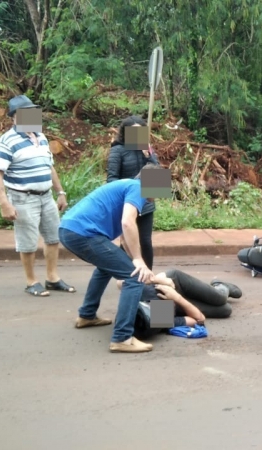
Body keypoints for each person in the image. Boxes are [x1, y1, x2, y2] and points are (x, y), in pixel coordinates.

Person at [58, 163, 167, 353]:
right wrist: (139, 261)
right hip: (83, 233)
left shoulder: (128, 187)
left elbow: (124, 236)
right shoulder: (136, 188)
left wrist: (133, 256)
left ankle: (87, 315)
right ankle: (122, 338)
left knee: (105, 268)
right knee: (134, 277)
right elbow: (127, 223)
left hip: (71, 229)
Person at [0, 94, 75, 297]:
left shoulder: (41, 137)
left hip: (46, 196)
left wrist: (60, 192)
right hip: (22, 197)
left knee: (53, 237)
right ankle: (31, 281)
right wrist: (4, 203)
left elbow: (50, 167)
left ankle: (52, 278)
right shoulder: (7, 141)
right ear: (15, 117)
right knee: (27, 242)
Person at [107, 116, 159, 270]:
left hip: (146, 204)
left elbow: (157, 175)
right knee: (127, 242)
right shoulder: (117, 150)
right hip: (127, 203)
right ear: (125, 133)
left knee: (145, 242)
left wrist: (149, 157)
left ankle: (148, 276)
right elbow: (111, 179)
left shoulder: (147, 149)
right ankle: (126, 274)